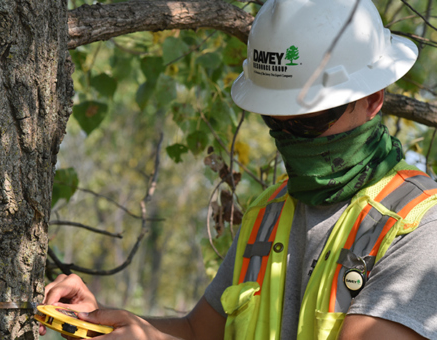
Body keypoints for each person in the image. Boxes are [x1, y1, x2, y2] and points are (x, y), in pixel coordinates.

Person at [41, 0, 437, 339]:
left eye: (309, 119)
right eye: (275, 119)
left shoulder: (418, 226)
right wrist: (108, 322)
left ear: (372, 99)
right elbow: (200, 333)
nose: (290, 133)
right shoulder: (268, 213)